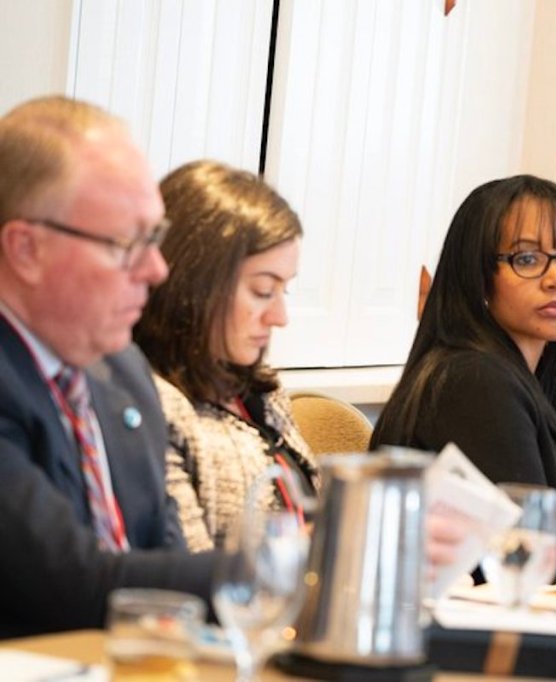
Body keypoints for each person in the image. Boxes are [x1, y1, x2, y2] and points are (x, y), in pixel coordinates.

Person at [0, 96, 218, 637]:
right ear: (25, 249)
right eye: (127, 242)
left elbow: (160, 555)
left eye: (156, 236)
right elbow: (70, 588)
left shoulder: (122, 370)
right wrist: (294, 570)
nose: (158, 269)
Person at [371, 174, 556, 577]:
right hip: (481, 633)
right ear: (477, 277)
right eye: (527, 259)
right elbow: (524, 566)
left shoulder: (537, 383)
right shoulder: (474, 382)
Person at [133, 161, 318, 552]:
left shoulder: (260, 392)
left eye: (285, 291)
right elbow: (188, 570)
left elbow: (312, 514)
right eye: (264, 290)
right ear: (194, 284)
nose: (280, 317)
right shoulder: (152, 404)